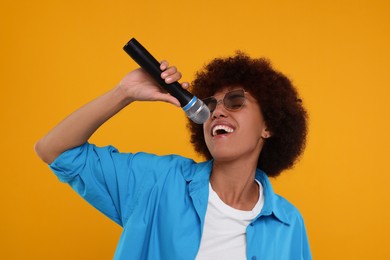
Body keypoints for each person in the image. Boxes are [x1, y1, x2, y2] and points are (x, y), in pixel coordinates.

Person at [35, 51, 311, 259]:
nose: (217, 111)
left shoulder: (288, 223)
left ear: (268, 126)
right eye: (210, 104)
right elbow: (54, 150)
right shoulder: (157, 182)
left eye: (236, 102)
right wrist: (124, 93)